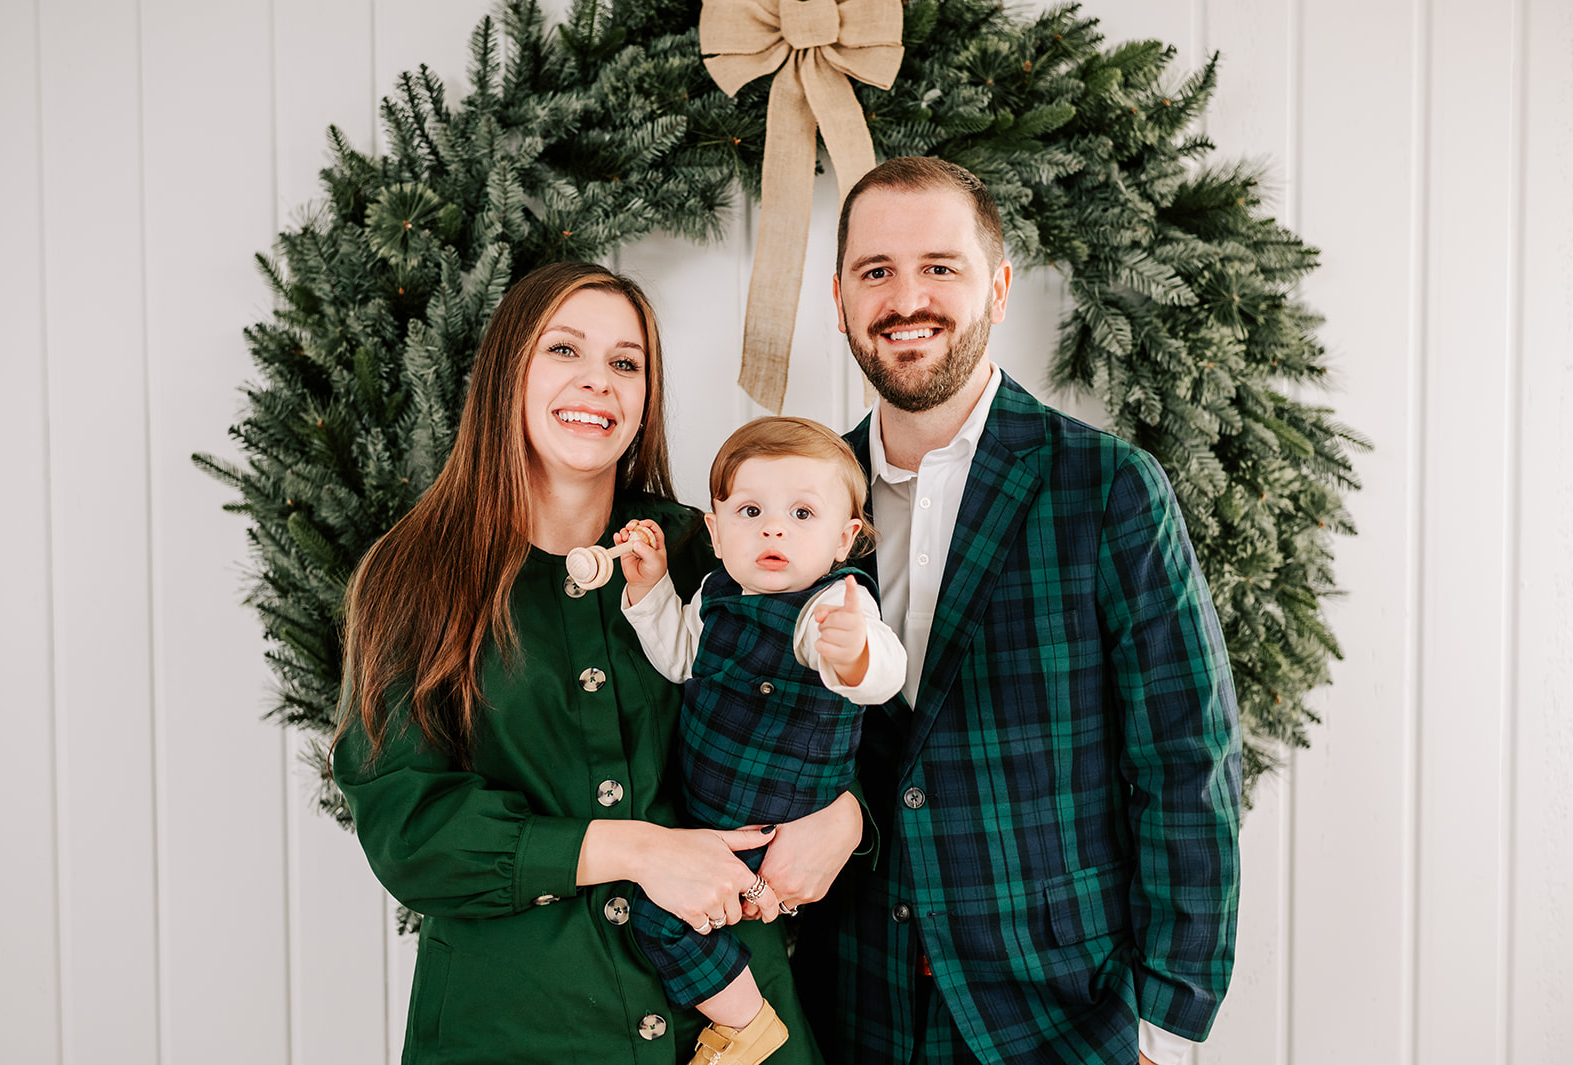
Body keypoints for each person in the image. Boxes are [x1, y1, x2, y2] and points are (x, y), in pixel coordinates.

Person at [330, 262, 848, 1065]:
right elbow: (409, 829)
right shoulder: (416, 574)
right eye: (564, 350)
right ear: (510, 373)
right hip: (514, 1030)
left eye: (625, 362)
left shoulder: (715, 554)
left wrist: (850, 818)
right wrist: (638, 849)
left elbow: (839, 705)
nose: (597, 382)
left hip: (737, 1025)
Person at [787, 156, 1243, 1065]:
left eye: (940, 268)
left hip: (1058, 1008)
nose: (906, 297)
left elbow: (1188, 754)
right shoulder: (800, 500)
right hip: (848, 998)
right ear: (839, 299)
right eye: (876, 271)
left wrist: (1157, 1014)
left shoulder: (1109, 487)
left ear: (996, 287)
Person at [617, 417, 909, 1065]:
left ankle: (748, 1025)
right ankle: (743, 1012)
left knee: (662, 916)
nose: (774, 528)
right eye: (750, 510)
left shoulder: (829, 606)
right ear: (717, 532)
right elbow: (680, 657)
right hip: (711, 810)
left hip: (773, 822)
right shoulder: (715, 594)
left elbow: (877, 672)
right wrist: (648, 589)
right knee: (688, 909)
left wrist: (858, 653)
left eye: (802, 512)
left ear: (844, 537)